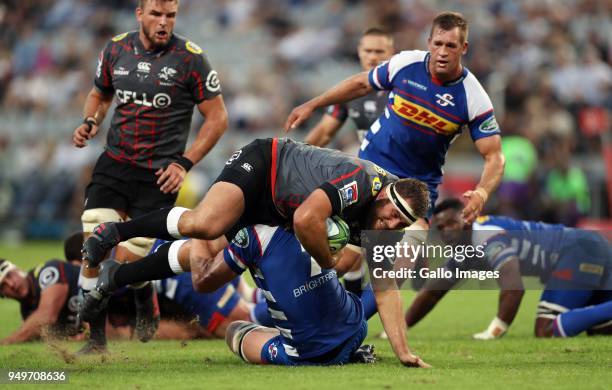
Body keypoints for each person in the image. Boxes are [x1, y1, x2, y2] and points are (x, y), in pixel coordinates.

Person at [81, 137, 431, 367]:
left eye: (402, 224)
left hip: (276, 213)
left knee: (204, 274)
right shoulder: (362, 183)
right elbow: (307, 218)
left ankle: (117, 276)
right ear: (384, 196)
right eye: (392, 215)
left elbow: (386, 288)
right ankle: (114, 232)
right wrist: (326, 261)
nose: (390, 225)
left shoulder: (386, 225)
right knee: (206, 224)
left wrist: (403, 352)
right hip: (267, 168)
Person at [70, 0, 228, 353]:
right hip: (115, 163)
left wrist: (184, 164)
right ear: (139, 14)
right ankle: (95, 339)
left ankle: (145, 292)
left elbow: (218, 119)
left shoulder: (191, 59)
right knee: (93, 246)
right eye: (156, 14)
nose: (163, 23)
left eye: (170, 16)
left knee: (128, 259)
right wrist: (90, 120)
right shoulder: (116, 48)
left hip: (160, 174)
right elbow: (100, 93)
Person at [286, 12, 505, 223]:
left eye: (451, 45)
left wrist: (482, 193)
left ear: (464, 48)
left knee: (408, 256)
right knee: (349, 257)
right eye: (438, 44)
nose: (442, 52)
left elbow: (494, 156)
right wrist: (313, 104)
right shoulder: (407, 64)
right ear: (429, 42)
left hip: (420, 183)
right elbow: (361, 85)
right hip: (373, 164)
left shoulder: (474, 98)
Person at [405, 198, 612, 339]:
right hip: (590, 245)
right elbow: (432, 292)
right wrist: (399, 328)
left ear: (467, 218)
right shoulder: (465, 249)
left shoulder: (487, 236)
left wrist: (495, 329)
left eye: (451, 223)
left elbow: (514, 286)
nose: (446, 231)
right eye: (440, 228)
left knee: (546, 330)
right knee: (598, 329)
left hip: (576, 251)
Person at [304, 27, 394, 147]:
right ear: (359, 51)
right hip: (370, 161)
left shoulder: (404, 89)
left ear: (392, 52)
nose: (372, 57)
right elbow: (324, 133)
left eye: (379, 52)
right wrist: (296, 156)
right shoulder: (350, 91)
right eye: (367, 51)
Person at [0, 258, 82, 344]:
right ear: (2, 295)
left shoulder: (48, 272)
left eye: (9, 275)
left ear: (18, 270)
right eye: (3, 286)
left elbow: (47, 316)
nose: (11, 284)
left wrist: (8, 341)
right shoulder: (27, 312)